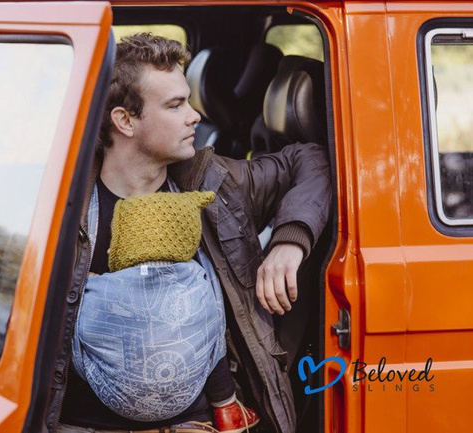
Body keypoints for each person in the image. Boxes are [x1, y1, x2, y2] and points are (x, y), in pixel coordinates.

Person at [47, 33, 331, 433]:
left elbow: (314, 159)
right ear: (125, 121)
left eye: (189, 101)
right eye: (175, 105)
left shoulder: (216, 185)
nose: (194, 116)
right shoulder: (62, 204)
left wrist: (290, 240)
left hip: (195, 424)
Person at [71, 190, 259, 431]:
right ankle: (227, 407)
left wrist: (87, 284)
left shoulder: (105, 287)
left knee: (76, 318)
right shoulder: (197, 278)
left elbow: (84, 321)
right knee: (210, 337)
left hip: (108, 396)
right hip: (186, 400)